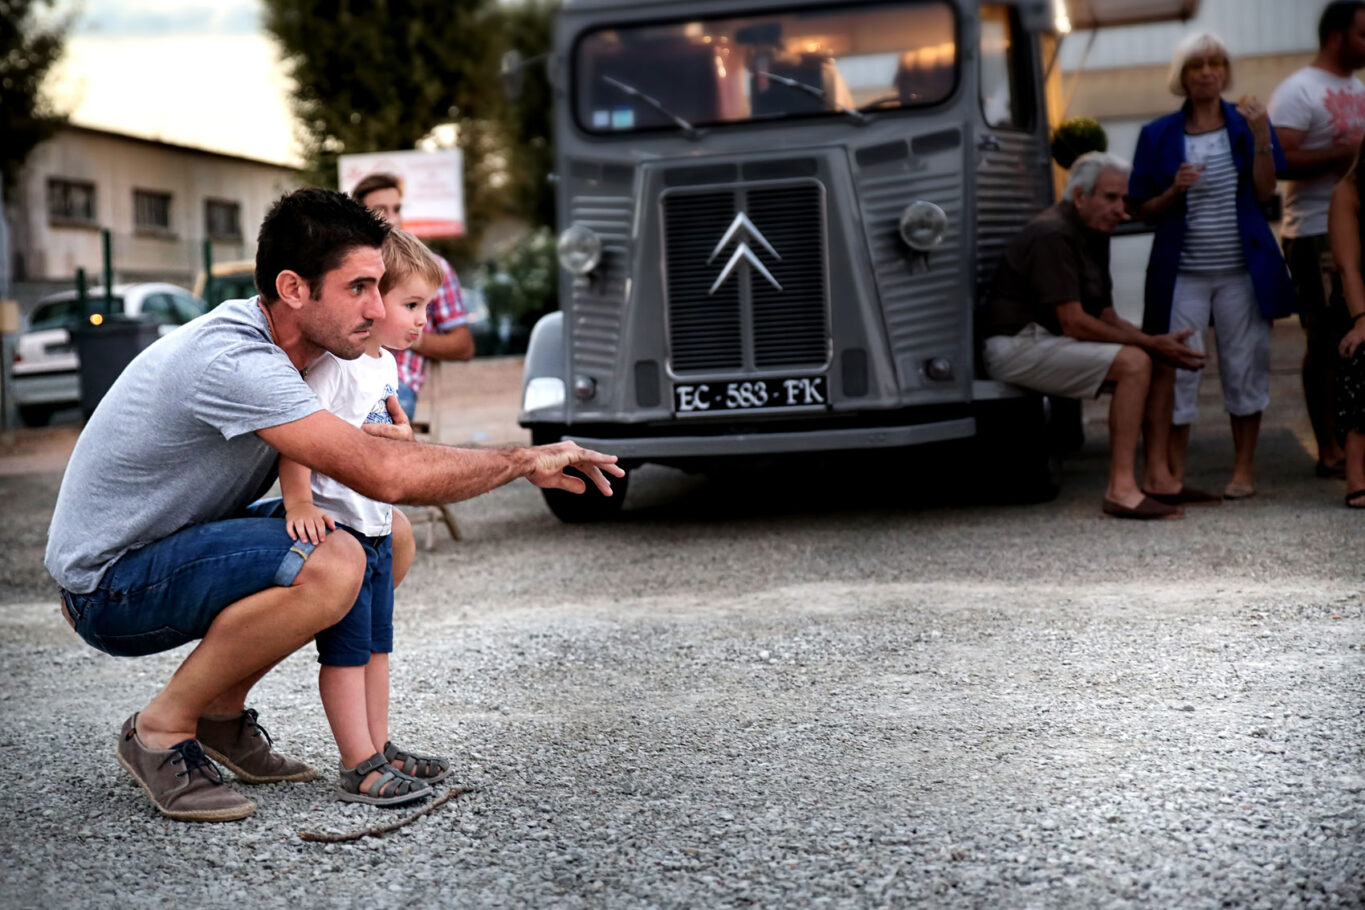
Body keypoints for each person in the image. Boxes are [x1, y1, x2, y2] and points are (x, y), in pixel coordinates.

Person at [46, 187, 622, 823]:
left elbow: (373, 464)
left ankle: (220, 714)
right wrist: (522, 461)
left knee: (390, 536)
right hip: (109, 583)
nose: (377, 307)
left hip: (172, 548)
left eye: (381, 287)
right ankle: (160, 730)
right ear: (293, 289)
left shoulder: (316, 353)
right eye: (359, 288)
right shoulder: (236, 359)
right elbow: (383, 475)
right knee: (333, 560)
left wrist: (386, 437)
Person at [278, 228, 448, 805]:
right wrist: (299, 502)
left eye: (424, 306)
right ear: (372, 303)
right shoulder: (334, 368)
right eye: (411, 305)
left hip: (376, 528)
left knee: (377, 648)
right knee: (347, 655)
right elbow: (295, 439)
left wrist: (403, 437)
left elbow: (392, 432)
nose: (422, 320)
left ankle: (380, 747)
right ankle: (358, 764)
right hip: (342, 531)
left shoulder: (384, 367)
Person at [980, 152, 1208, 520]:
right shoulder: (1052, 234)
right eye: (1111, 198)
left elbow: (1106, 316)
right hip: (1017, 344)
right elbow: (1074, 322)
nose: (1121, 209)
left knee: (1159, 359)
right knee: (1135, 362)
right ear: (1080, 197)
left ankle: (1159, 479)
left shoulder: (1095, 232)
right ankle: (1121, 490)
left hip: (1051, 340)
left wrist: (1159, 344)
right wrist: (1149, 343)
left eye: (1124, 199)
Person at [1129, 33, 1294, 501]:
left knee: (1245, 366)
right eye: (1196, 65)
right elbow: (1140, 208)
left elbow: (1265, 192)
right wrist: (1173, 191)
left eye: (1215, 63)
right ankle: (1173, 468)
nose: (1207, 72)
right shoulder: (1158, 134)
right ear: (1181, 76)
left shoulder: (1248, 124)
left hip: (1242, 270)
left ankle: (1243, 469)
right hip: (1182, 273)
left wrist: (1261, 138)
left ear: (1225, 71)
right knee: (1177, 369)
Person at [1268, 0, 1365, 478]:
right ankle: (1328, 447)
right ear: (1335, 37)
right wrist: (1344, 154)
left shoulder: (1357, 88)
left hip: (1357, 225)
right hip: (1312, 231)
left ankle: (1354, 444)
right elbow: (1279, 160)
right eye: (1363, 34)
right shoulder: (1298, 90)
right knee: (1328, 340)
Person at [351, 172, 474, 419]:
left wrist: (406, 332)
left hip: (400, 380)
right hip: (350, 368)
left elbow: (463, 346)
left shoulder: (431, 268)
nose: (392, 217)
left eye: (397, 209)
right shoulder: (348, 265)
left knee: (387, 416)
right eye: (380, 210)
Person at [1327, 139, 1365, 507]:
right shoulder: (1348, 192)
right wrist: (1362, 319)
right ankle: (1357, 476)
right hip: (1358, 301)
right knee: (1362, 354)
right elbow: (1348, 267)